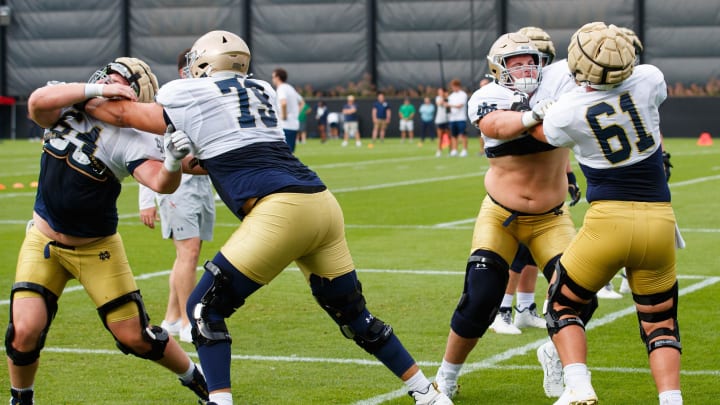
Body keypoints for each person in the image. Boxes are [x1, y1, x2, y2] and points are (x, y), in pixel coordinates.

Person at [85, 30, 453, 405]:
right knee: (354, 316)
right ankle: (427, 393)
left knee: (203, 309)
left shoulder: (188, 93)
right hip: (321, 203)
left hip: (280, 211)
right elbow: (214, 158)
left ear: (203, 63)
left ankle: (219, 402)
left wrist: (79, 94)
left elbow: (117, 112)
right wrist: (173, 159)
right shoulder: (260, 91)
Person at [7, 57, 208, 405]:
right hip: (43, 238)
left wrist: (174, 161)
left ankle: (195, 378)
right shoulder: (65, 101)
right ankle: (21, 399)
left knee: (135, 337)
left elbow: (161, 183)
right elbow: (36, 103)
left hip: (95, 248)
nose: (109, 80)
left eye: (119, 80)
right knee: (23, 331)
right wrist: (100, 90)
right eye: (109, 76)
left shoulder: (132, 137)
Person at [525, 23, 683, 405]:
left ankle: (579, 385)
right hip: (660, 222)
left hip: (608, 222)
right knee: (660, 325)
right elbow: (637, 81)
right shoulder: (650, 79)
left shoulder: (567, 111)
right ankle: (671, 400)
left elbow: (541, 134)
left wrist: (534, 112)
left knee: (561, 305)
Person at [432, 32, 584, 401]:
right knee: (481, 297)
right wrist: (536, 113)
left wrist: (568, 174)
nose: (524, 67)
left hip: (551, 215)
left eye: (529, 60)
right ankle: (445, 377)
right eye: (515, 62)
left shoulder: (559, 84)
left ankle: (554, 354)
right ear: (498, 69)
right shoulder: (487, 97)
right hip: (502, 213)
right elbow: (496, 126)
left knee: (578, 295)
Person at [139, 48, 216, 344]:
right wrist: (147, 200)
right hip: (176, 188)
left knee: (187, 255)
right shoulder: (170, 100)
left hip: (200, 187)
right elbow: (149, 149)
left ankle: (171, 318)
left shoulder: (206, 100)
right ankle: (187, 320)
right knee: (189, 253)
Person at [271, 68, 304, 153]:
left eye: (273, 77)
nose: (273, 79)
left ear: (278, 77)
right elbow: (302, 102)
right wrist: (296, 114)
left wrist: (284, 116)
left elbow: (284, 103)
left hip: (285, 126)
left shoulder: (281, 88)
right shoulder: (290, 87)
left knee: (283, 154)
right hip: (293, 125)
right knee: (289, 154)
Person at [446, 79, 468, 157]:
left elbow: (460, 105)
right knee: (453, 135)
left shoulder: (463, 94)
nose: (453, 88)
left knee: (462, 135)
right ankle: (454, 150)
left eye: (454, 86)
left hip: (461, 118)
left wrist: (449, 105)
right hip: (452, 119)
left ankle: (464, 150)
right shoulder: (451, 96)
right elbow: (449, 108)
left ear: (458, 86)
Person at [434, 87, 449, 157]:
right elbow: (439, 103)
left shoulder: (449, 98)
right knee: (440, 136)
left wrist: (447, 97)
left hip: (447, 120)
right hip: (440, 120)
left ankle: (451, 151)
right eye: (439, 91)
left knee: (449, 136)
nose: (440, 93)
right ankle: (439, 150)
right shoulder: (438, 98)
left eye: (441, 91)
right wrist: (443, 97)